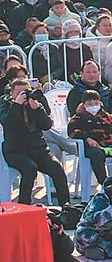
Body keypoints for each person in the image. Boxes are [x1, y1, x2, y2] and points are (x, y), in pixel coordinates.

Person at [4, 76, 69, 204]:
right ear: (12, 93)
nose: (23, 96)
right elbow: (8, 124)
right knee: (30, 169)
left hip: (39, 149)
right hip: (16, 151)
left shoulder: (34, 103)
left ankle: (66, 206)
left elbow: (47, 125)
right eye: (19, 93)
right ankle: (24, 206)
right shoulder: (5, 104)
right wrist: (17, 105)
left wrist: (38, 109)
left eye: (26, 92)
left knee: (57, 169)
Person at [67, 88, 112, 187]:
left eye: (96, 103)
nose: (93, 106)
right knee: (97, 155)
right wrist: (87, 138)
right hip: (90, 147)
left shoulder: (106, 116)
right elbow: (72, 131)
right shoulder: (79, 117)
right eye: (89, 104)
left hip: (108, 145)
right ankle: (104, 182)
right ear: (84, 105)